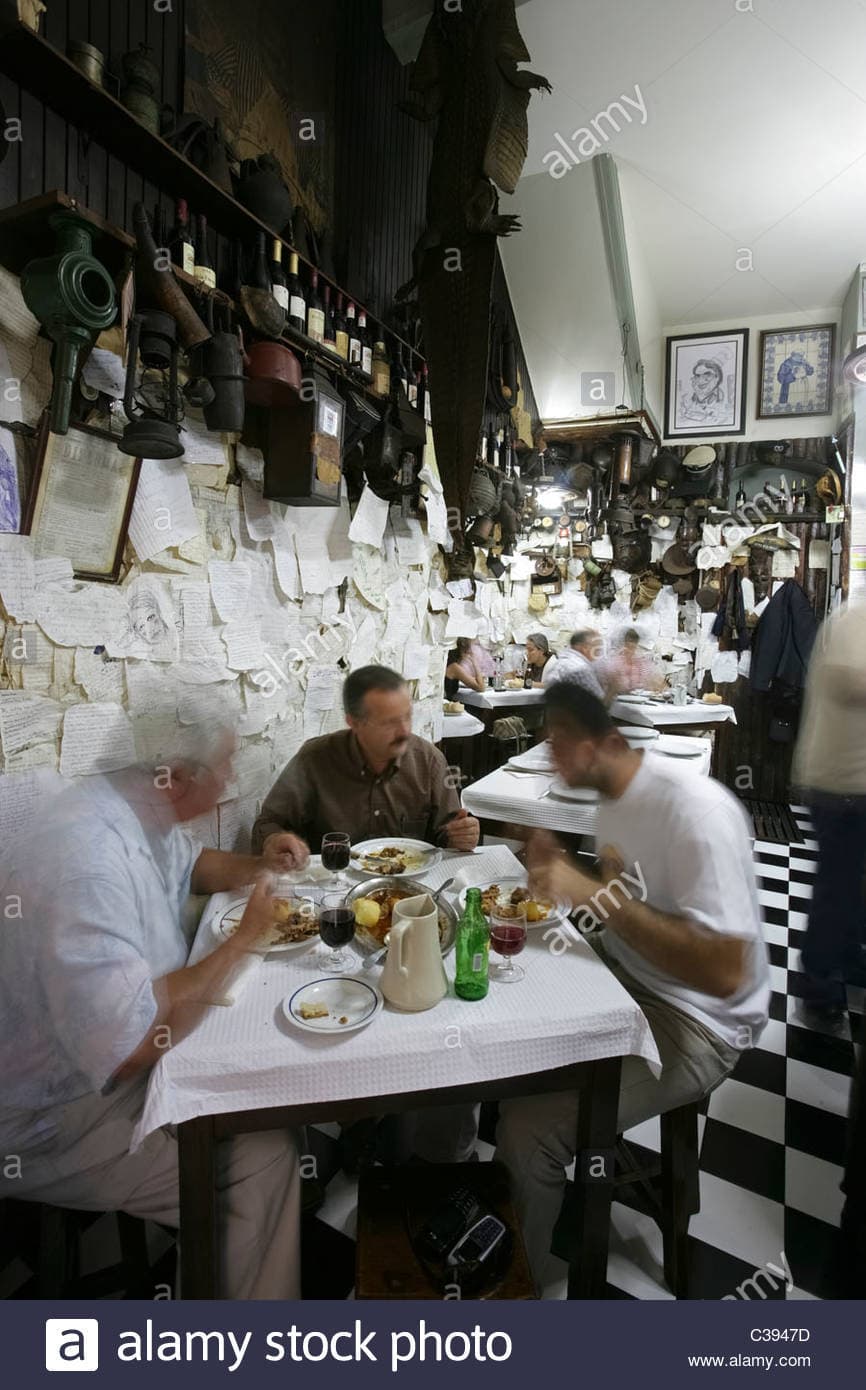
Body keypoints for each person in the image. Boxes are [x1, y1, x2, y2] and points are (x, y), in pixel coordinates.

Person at [0, 732, 308, 1299]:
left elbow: (194, 865)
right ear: (181, 774)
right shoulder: (88, 863)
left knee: (254, 1086)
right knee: (264, 1158)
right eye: (224, 767)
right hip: (58, 1115)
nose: (231, 780)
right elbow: (133, 1042)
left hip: (108, 1066)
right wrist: (243, 942)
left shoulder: (126, 807)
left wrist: (259, 864)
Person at [496, 684, 769, 1294]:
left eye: (568, 747)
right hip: (630, 976)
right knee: (509, 972)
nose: (557, 763)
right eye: (552, 746)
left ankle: (522, 1291)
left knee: (527, 1128)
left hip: (697, 1019)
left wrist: (586, 891)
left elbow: (725, 970)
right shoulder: (613, 797)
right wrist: (558, 883)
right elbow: (626, 901)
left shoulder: (696, 812)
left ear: (614, 743)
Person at [252, 665, 481, 855]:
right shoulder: (315, 759)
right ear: (354, 722)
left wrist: (462, 835)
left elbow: (447, 831)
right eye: (389, 722)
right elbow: (268, 823)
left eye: (406, 717)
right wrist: (274, 840)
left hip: (409, 889)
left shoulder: (428, 760)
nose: (403, 732)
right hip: (333, 885)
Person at [792, 601, 866, 1021]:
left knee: (851, 881)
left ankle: (850, 957)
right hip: (841, 783)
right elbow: (849, 683)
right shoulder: (855, 621)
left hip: (854, 782)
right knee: (838, 885)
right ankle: (817, 981)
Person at [596, 628, 664, 698]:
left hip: (639, 701)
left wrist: (655, 683)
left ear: (637, 644)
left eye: (634, 643)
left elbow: (650, 683)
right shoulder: (615, 662)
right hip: (619, 701)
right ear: (624, 643)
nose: (631, 646)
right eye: (629, 642)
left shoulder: (642, 662)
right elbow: (614, 686)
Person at [546, 629, 605, 700]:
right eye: (597, 649)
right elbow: (600, 702)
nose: (599, 653)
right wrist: (613, 688)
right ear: (585, 648)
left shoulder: (560, 662)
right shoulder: (581, 669)